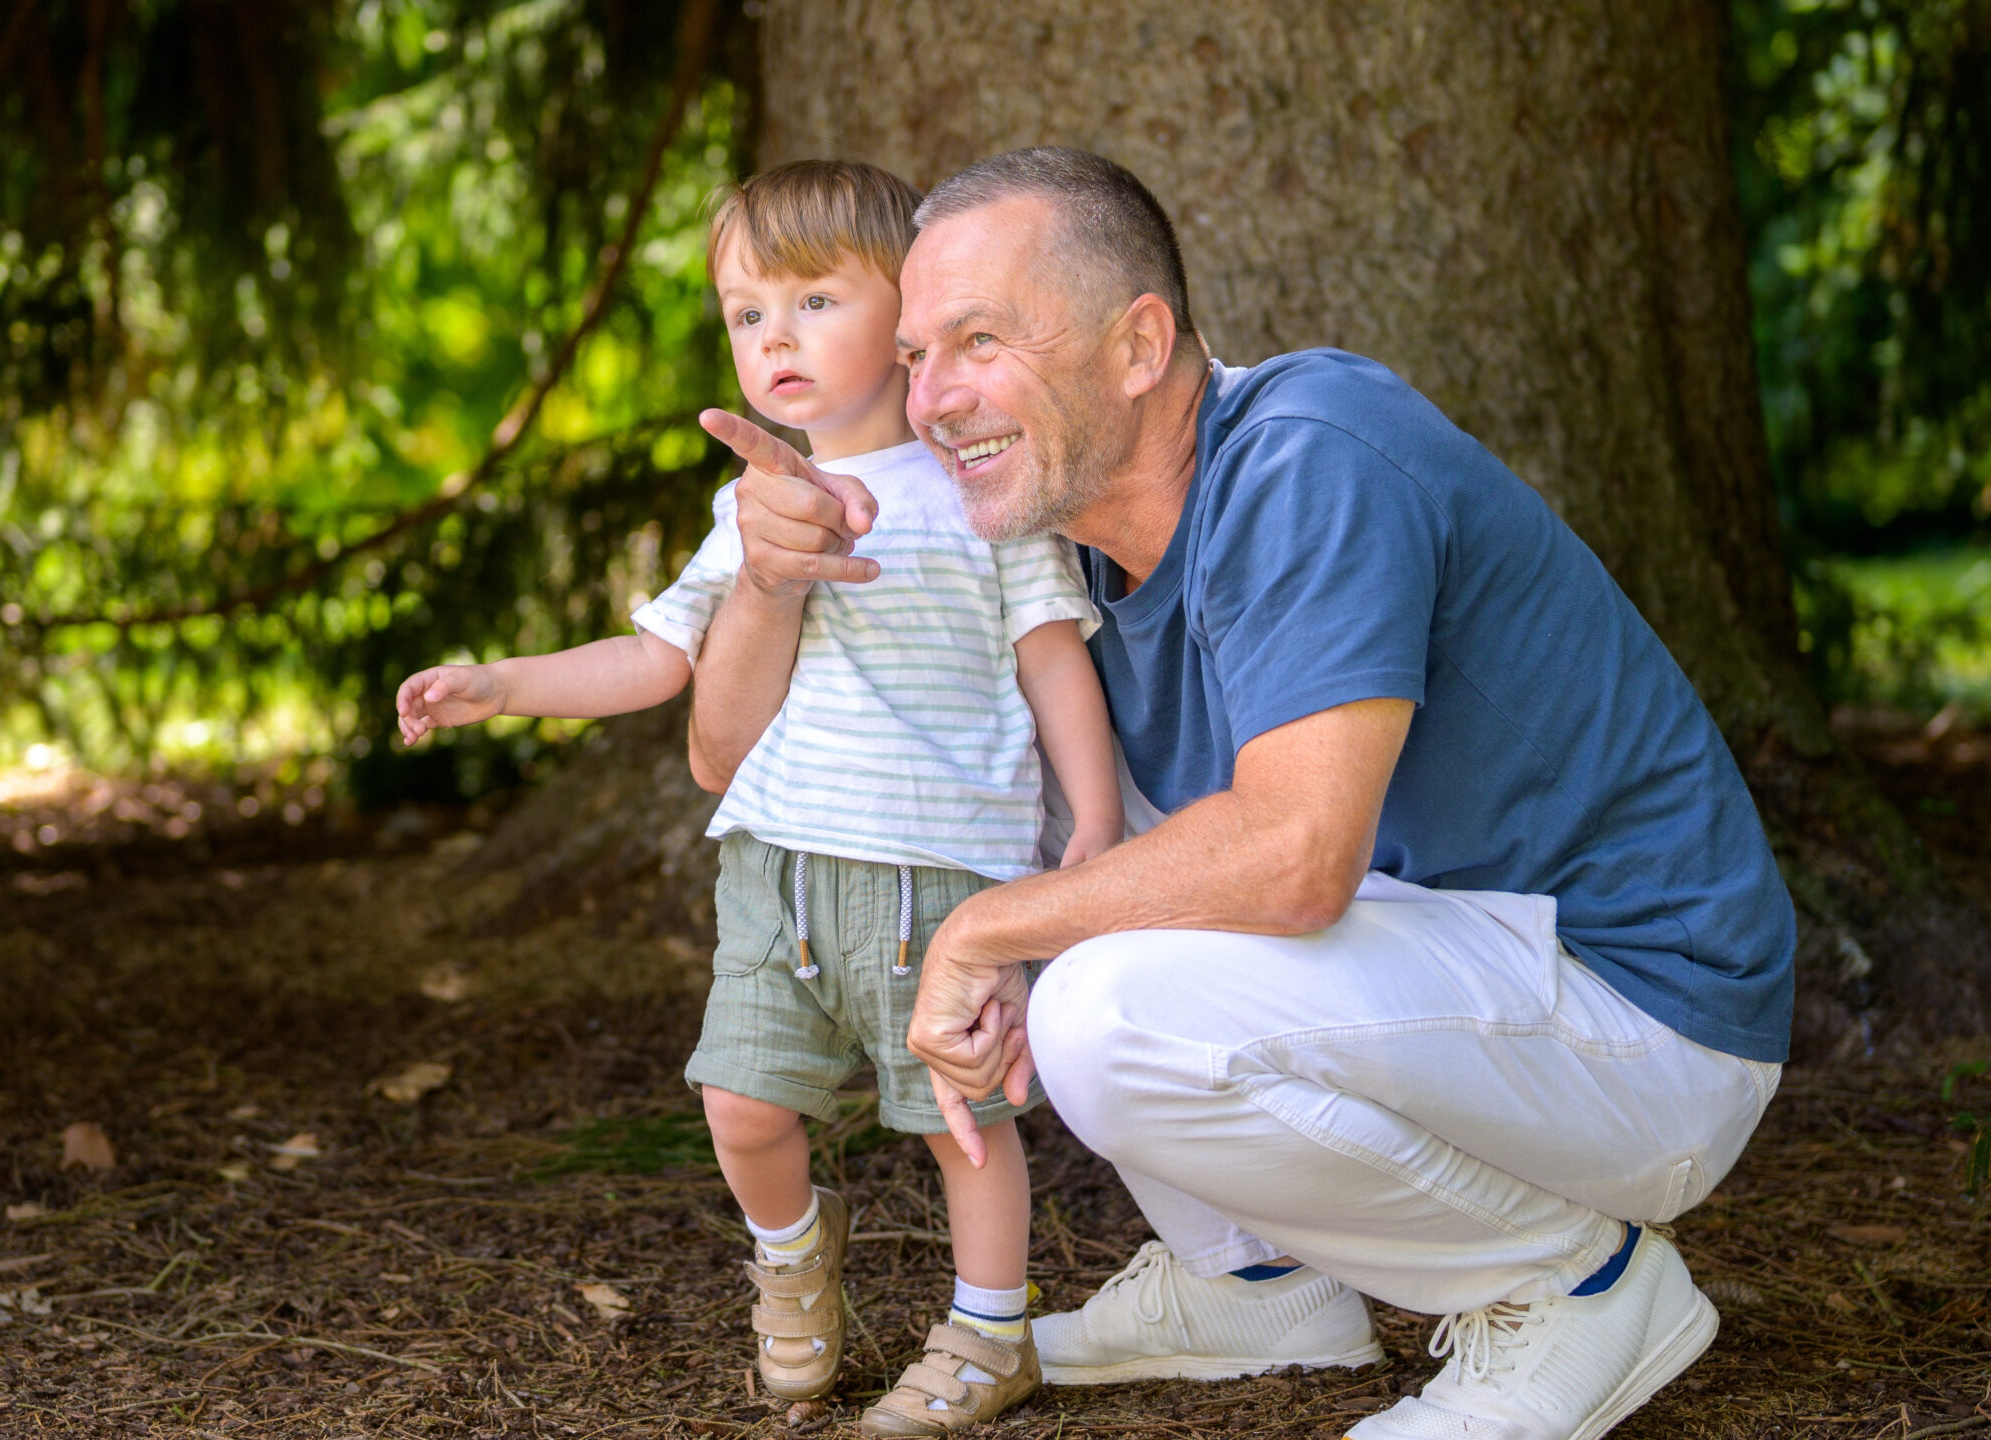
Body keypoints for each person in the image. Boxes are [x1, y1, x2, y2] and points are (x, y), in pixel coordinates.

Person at [685, 148, 1796, 1440]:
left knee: (1103, 1000)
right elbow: (725, 758)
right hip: (1465, 995)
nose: (933, 397)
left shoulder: (1312, 454)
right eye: (920, 354)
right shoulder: (1057, 549)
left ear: (1139, 344)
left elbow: (1295, 858)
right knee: (1050, 827)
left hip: (1647, 1021)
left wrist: (987, 933)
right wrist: (769, 581)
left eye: (980, 342)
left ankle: (1578, 1290)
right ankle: (1255, 1284)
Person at [395, 159, 1123, 1435]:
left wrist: (1094, 840)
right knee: (738, 1101)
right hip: (775, 867)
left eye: (813, 301)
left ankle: (990, 1330)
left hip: (941, 882)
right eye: (746, 313)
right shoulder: (752, 509)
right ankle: (791, 1260)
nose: (773, 336)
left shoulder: (984, 492)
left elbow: (1051, 658)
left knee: (962, 1120)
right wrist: (500, 684)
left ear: (904, 316)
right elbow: (653, 657)